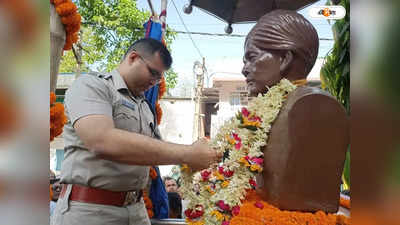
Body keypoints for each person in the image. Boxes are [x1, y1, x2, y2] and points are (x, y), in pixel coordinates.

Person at [51, 38, 222, 225]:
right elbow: (101, 140)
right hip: (90, 210)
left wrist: (195, 158)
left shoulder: (145, 106)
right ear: (133, 58)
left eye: (159, 78)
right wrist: (187, 153)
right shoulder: (92, 86)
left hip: (137, 210)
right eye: (153, 73)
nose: (154, 82)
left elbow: (154, 151)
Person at [242, 10, 349, 213]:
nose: (244, 69)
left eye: (251, 57)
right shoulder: (269, 110)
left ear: (285, 59)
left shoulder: (313, 105)